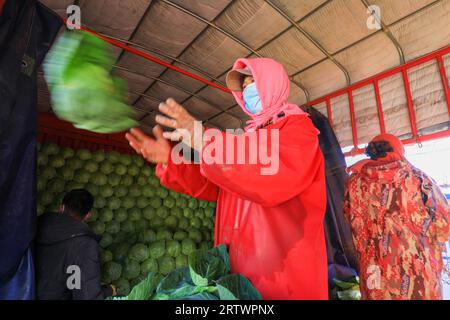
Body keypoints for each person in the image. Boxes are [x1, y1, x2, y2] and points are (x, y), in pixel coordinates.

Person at [125, 58, 328, 299]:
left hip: (282, 277)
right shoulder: (247, 138)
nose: (247, 89)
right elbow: (216, 185)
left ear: (273, 83)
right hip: (237, 273)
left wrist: (205, 140)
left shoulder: (297, 129)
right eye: (244, 86)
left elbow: (272, 175)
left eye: (253, 81)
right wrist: (169, 161)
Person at [344, 134, 450, 300]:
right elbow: (445, 228)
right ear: (399, 150)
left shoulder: (352, 183)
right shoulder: (418, 179)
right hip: (417, 278)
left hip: (374, 277)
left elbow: (349, 221)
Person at [35, 189, 115, 300]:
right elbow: (87, 296)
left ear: (61, 207)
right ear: (88, 215)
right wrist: (109, 290)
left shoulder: (34, 225)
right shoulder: (84, 245)